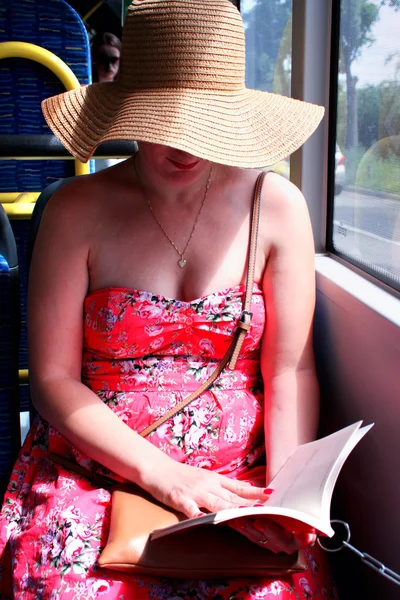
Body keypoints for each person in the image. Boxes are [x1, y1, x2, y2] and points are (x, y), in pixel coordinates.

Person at [0, 1, 338, 598]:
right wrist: (165, 476)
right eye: (165, 121)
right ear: (131, 107)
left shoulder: (276, 206)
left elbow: (290, 368)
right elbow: (53, 380)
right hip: (95, 467)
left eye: (202, 124)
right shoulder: (75, 210)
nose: (185, 145)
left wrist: (288, 498)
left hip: (240, 480)